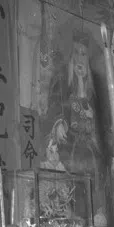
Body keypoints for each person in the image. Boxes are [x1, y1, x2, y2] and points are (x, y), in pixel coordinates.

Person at [42, 30, 103, 174]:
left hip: (90, 148)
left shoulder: (96, 85)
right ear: (71, 54)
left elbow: (101, 118)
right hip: (68, 146)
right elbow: (54, 104)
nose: (79, 58)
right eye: (76, 52)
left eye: (83, 54)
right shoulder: (61, 78)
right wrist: (59, 122)